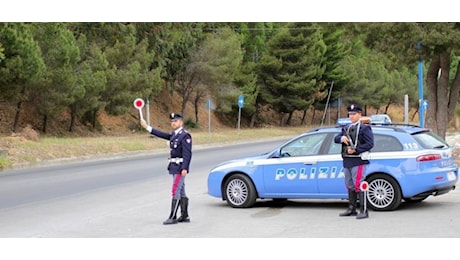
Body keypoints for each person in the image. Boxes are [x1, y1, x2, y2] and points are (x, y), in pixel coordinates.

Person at [140, 113, 192, 225]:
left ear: (181, 122)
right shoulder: (174, 134)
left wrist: (185, 168)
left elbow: (187, 154)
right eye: (172, 121)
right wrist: (147, 127)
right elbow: (162, 134)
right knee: (181, 190)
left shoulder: (185, 136)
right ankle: (184, 215)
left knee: (175, 190)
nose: (173, 123)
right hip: (174, 166)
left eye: (176, 121)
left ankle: (173, 217)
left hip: (179, 167)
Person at [334, 104, 374, 219]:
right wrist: (341, 138)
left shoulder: (364, 128)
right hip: (347, 159)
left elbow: (370, 144)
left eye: (354, 114)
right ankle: (352, 208)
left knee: (359, 185)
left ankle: (364, 209)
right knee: (349, 184)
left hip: (358, 160)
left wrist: (356, 150)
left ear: (359, 115)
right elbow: (336, 138)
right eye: (350, 114)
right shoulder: (346, 128)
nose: (351, 116)